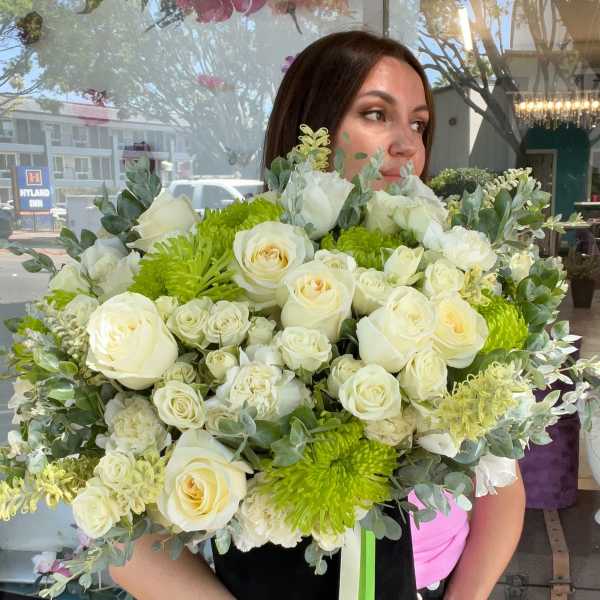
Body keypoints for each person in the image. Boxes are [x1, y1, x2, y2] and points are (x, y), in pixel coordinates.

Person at [110, 30, 526, 600]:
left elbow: (501, 484)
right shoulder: (224, 288)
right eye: (376, 114)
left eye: (419, 124)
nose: (407, 144)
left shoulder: (450, 288)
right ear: (313, 125)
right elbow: (125, 536)